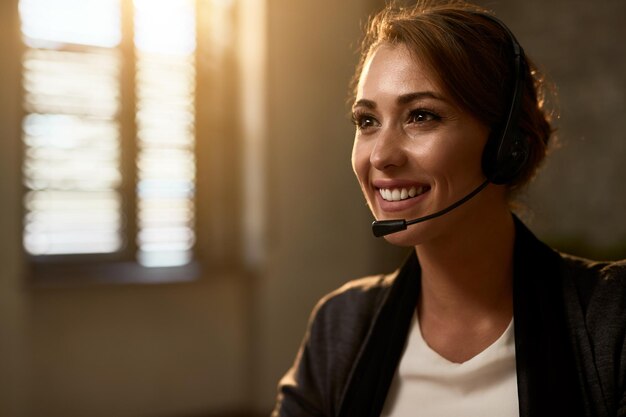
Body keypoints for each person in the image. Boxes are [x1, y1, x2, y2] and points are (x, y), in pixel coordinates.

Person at [271, 1, 626, 416]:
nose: (381, 156)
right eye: (367, 122)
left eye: (421, 116)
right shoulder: (342, 324)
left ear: (506, 147)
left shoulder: (612, 319)